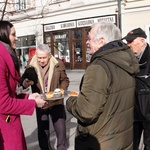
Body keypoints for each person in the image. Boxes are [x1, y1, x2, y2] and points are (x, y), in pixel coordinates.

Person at [66, 21, 139, 150]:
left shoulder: (99, 66)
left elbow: (86, 112)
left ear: (101, 41)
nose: (87, 42)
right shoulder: (126, 61)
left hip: (101, 141)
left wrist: (71, 101)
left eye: (89, 39)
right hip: (122, 139)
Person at [0, 21, 46, 150]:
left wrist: (28, 97)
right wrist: (33, 103)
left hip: (9, 122)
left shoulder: (6, 55)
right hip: (5, 126)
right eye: (13, 34)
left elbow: (10, 94)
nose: (16, 38)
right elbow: (3, 103)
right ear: (3, 35)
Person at [19, 44, 70, 150]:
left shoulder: (58, 64)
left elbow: (65, 80)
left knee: (61, 131)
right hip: (40, 104)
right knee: (43, 133)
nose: (41, 60)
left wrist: (61, 90)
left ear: (50, 55)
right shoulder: (31, 66)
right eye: (39, 57)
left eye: (44, 57)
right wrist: (24, 82)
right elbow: (22, 80)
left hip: (56, 102)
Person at [122, 28, 150, 150]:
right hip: (132, 113)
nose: (128, 45)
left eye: (130, 42)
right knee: (130, 145)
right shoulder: (127, 59)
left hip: (148, 114)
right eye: (127, 42)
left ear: (142, 41)